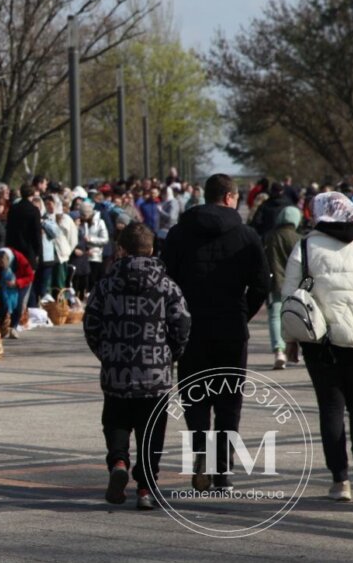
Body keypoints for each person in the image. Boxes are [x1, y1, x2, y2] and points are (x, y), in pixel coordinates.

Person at [162, 173, 269, 492]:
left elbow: (165, 282)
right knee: (228, 402)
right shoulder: (247, 235)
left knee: (195, 397)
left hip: (191, 329)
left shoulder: (178, 234)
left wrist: (175, 319)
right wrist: (242, 313)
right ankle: (222, 471)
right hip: (231, 329)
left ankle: (201, 456)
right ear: (228, 197)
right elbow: (262, 283)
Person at [84, 223, 191, 510]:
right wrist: (170, 355)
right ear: (152, 248)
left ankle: (118, 461)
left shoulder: (105, 284)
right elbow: (181, 323)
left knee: (116, 421)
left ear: (121, 248)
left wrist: (106, 353)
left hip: (117, 369)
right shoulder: (167, 285)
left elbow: (91, 324)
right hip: (154, 372)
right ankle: (145, 488)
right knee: (151, 430)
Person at [281, 192, 353, 502]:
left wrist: (289, 342)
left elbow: (290, 297)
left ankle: (340, 480)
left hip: (320, 340)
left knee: (331, 406)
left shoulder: (305, 245)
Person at [263, 206, 302, 370]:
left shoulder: (270, 237)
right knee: (296, 317)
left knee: (274, 317)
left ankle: (279, 351)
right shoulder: (299, 238)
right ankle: (293, 348)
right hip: (294, 285)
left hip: (274, 283)